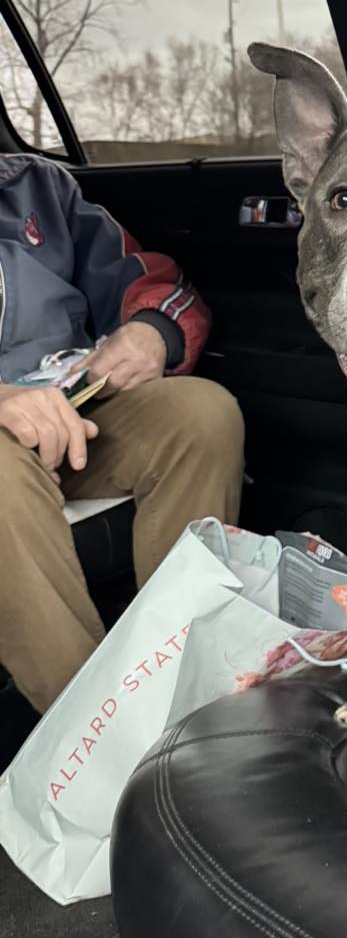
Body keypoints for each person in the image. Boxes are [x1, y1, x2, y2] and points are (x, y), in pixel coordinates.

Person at [0, 152, 244, 713]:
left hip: (71, 414)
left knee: (200, 414)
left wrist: (152, 331)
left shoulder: (37, 188)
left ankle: (180, 686)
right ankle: (94, 736)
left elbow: (153, 281)